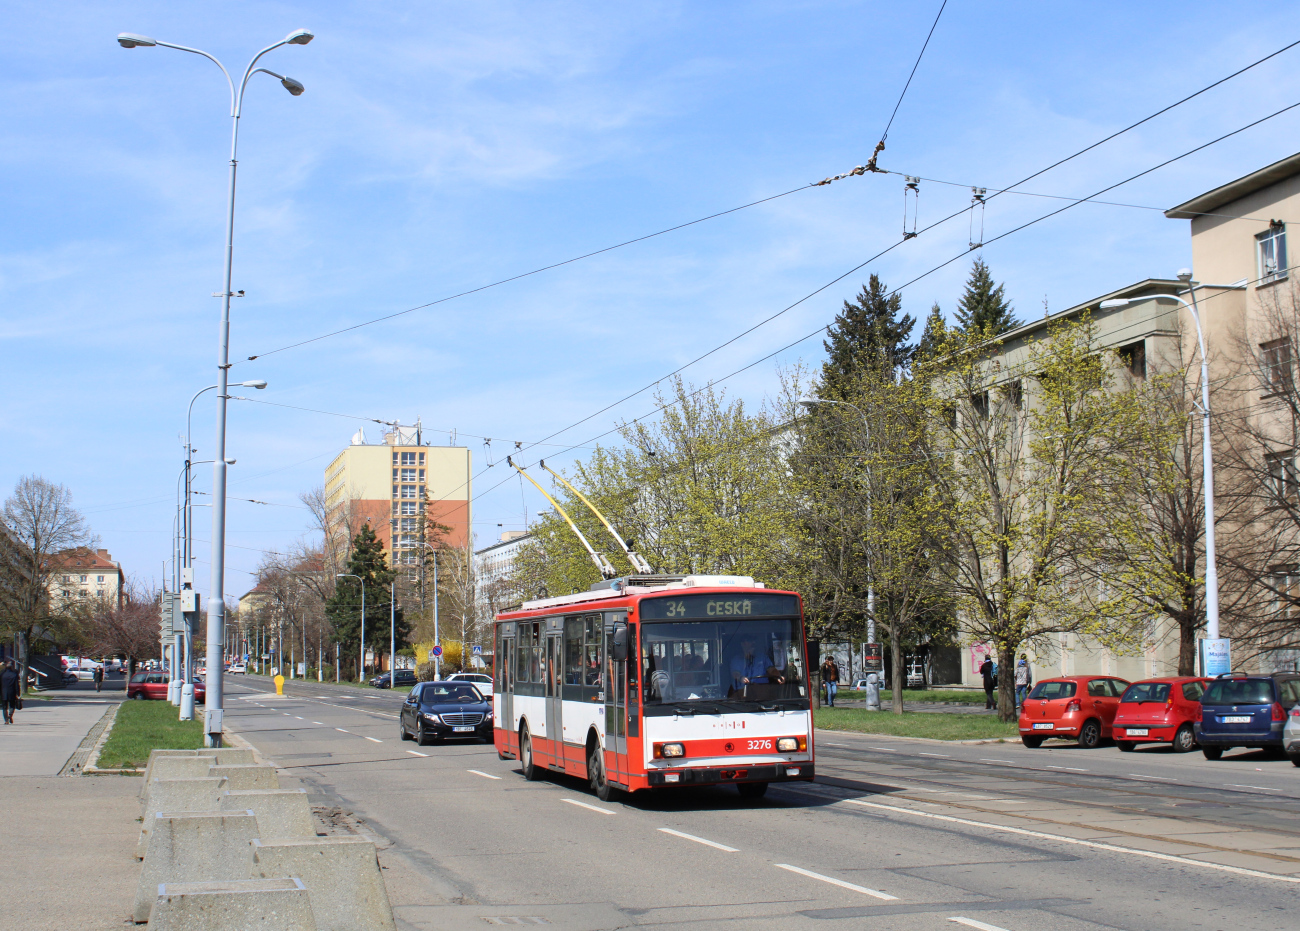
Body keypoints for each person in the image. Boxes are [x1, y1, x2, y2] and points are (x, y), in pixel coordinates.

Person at [1, 660, 20, 724]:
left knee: (4, 707)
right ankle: (10, 715)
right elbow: (16, 685)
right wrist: (18, 693)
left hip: (3, 693)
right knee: (12, 706)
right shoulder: (14, 675)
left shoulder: (2, 674)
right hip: (12, 692)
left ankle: (6, 720)